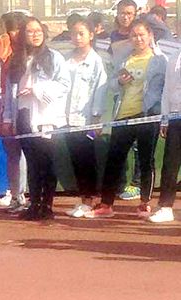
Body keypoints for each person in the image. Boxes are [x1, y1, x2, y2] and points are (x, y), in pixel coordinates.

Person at [87, 20, 166, 219]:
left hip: (147, 116)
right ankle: (106, 204)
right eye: (134, 35)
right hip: (123, 116)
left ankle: (144, 204)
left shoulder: (159, 60)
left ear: (150, 36)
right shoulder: (125, 59)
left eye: (142, 35)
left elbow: (165, 88)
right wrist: (119, 82)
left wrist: (160, 114)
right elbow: (112, 85)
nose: (138, 39)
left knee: (146, 160)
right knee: (114, 159)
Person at [3, 17, 70, 220]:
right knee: (32, 162)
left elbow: (64, 84)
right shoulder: (16, 59)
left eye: (38, 31)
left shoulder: (54, 57)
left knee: (47, 161)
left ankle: (46, 205)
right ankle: (34, 203)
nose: (35, 35)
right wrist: (8, 118)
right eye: (30, 31)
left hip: (45, 117)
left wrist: (37, 89)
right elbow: (9, 92)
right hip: (23, 116)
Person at [64, 18, 108, 218]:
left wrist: (96, 118)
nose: (77, 37)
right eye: (74, 33)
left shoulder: (96, 61)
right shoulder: (66, 60)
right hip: (67, 120)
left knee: (86, 158)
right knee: (75, 158)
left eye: (81, 33)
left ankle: (89, 201)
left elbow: (100, 90)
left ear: (91, 35)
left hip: (87, 121)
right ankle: (82, 199)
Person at [0, 11, 28, 213]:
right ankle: (15, 195)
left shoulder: (33, 54)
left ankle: (28, 196)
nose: (13, 34)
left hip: (28, 109)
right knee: (12, 152)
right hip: (6, 105)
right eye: (9, 29)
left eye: (17, 29)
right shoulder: (4, 47)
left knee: (28, 153)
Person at [149, 46, 181, 222]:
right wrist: (165, 119)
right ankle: (166, 207)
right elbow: (167, 89)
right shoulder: (174, 57)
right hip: (175, 117)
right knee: (170, 163)